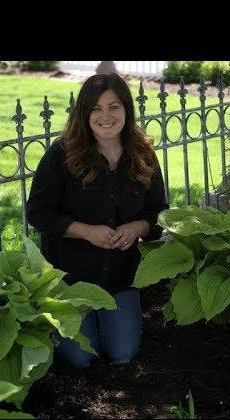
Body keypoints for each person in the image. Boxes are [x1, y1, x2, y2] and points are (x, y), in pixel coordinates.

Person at [26, 73, 169, 368]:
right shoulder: (61, 155)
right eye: (96, 108)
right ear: (84, 113)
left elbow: (159, 214)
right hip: (71, 278)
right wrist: (87, 232)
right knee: (79, 358)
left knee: (122, 354)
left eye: (114, 107)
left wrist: (136, 228)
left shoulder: (143, 154)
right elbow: (38, 213)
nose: (106, 116)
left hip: (120, 276)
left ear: (126, 111)